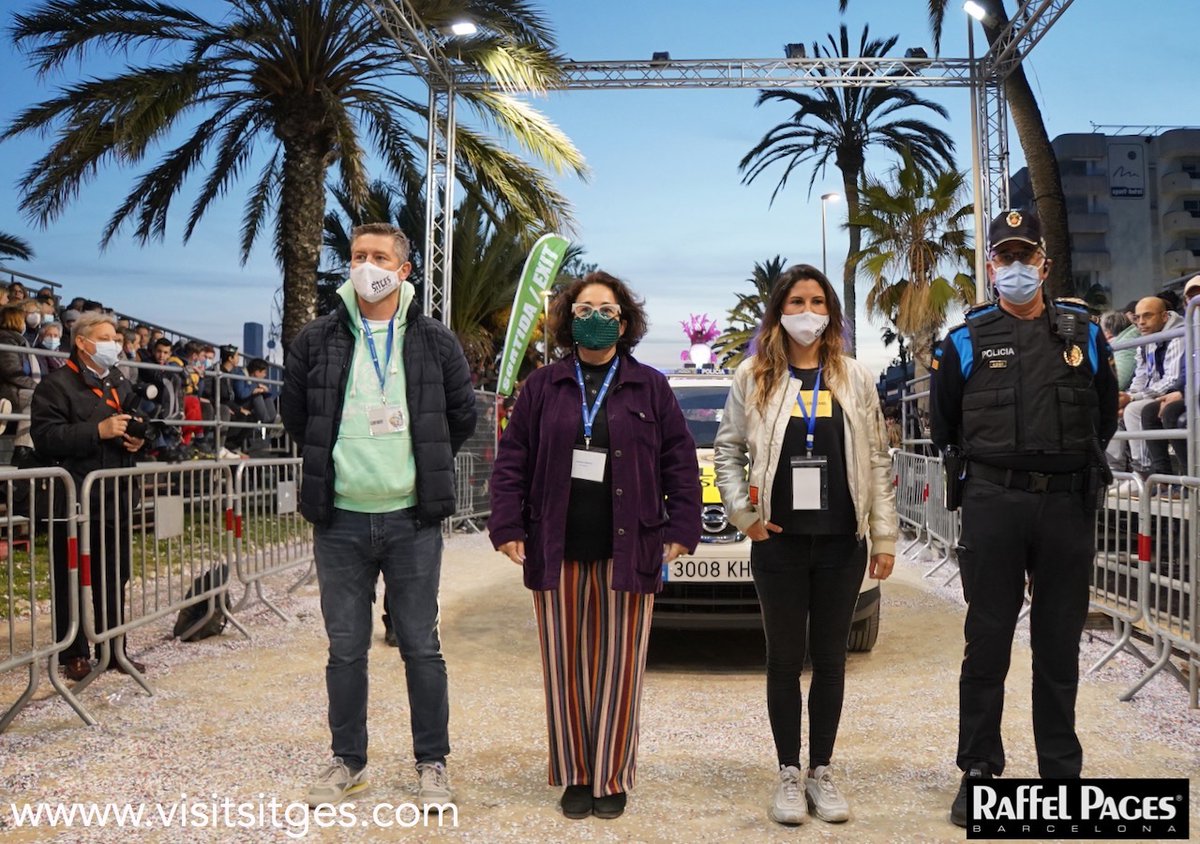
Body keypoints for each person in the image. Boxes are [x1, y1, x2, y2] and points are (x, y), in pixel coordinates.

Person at [488, 271, 701, 821]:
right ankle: (576, 775)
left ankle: (610, 775)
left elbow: (679, 461)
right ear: (568, 319)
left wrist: (682, 529)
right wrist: (507, 525)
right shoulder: (543, 386)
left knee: (620, 670)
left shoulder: (650, 386)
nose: (595, 318)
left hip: (629, 550)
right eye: (584, 309)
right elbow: (512, 459)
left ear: (624, 322)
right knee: (564, 669)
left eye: (606, 310)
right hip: (555, 548)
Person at [930, 209, 1119, 827]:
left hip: (1067, 504)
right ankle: (979, 770)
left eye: (1025, 256)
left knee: (1058, 645)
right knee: (987, 642)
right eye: (1004, 256)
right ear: (990, 267)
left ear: (1045, 262)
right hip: (994, 503)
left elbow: (1104, 418)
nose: (1016, 267)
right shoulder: (964, 340)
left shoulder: (1086, 334)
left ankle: (1060, 774)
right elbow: (945, 426)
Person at [281, 222, 477, 808]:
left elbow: (460, 416)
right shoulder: (316, 339)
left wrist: (420, 467)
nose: (367, 266)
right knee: (346, 648)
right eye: (358, 255)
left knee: (421, 645)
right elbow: (296, 414)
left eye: (379, 257)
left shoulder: (435, 340)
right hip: (339, 518)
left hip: (411, 520)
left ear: (403, 269)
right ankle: (348, 760)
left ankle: (432, 763)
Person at [712, 264, 897, 827]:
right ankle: (789, 773)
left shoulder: (853, 377)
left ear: (831, 313)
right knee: (784, 660)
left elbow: (876, 459)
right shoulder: (754, 376)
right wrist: (744, 516)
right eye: (797, 301)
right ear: (779, 310)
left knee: (832, 660)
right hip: (780, 543)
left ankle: (822, 770)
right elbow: (728, 451)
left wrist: (884, 535)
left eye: (818, 302)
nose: (808, 312)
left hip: (843, 542)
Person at [30, 311, 147, 681]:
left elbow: (134, 423)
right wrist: (97, 431)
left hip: (114, 495)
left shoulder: (117, 381)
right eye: (106, 338)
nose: (115, 345)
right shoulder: (56, 385)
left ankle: (113, 650)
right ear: (82, 342)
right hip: (75, 499)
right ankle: (74, 653)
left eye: (117, 339)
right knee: (72, 578)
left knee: (114, 575)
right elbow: (46, 437)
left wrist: (137, 440)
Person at [1116, 296, 1182, 489]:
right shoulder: (1146, 338)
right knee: (1114, 409)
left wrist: (1132, 398)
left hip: (1175, 393)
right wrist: (1128, 396)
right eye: (1137, 318)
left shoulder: (1178, 334)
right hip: (1155, 394)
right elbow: (1141, 375)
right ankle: (1115, 473)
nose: (1141, 322)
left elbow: (1172, 380)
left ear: (1164, 316)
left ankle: (1144, 475)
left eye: (1147, 316)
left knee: (1134, 410)